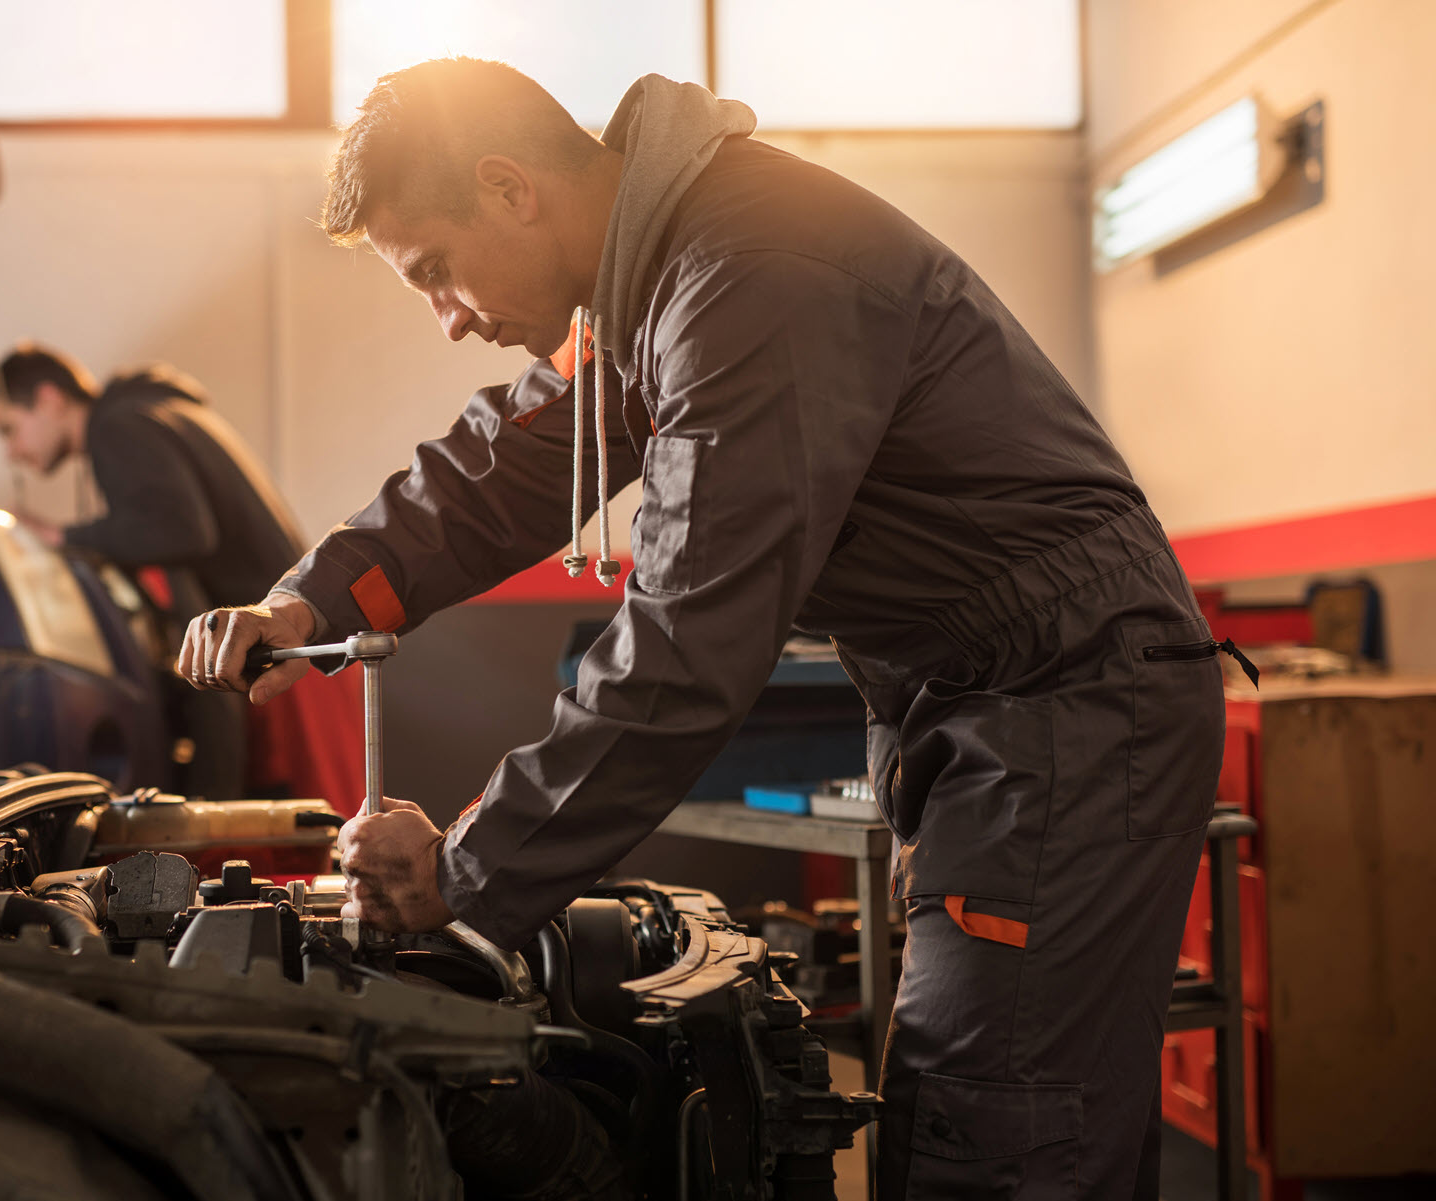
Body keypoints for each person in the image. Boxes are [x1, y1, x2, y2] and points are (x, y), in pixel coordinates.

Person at [177, 59, 1230, 1197]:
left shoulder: (746, 274)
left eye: (436, 271)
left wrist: (466, 876)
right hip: (986, 705)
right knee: (983, 1106)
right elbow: (497, 468)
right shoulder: (652, 280)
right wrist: (311, 601)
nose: (446, 320)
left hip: (1063, 703)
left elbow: (683, 647)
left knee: (1006, 1141)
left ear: (508, 187)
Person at [0, 342, 309, 797]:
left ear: (50, 399)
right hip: (288, 634)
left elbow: (180, 530)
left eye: (9, 429)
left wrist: (59, 538)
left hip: (283, 649)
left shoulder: (118, 426)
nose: (11, 452)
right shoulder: (144, 412)